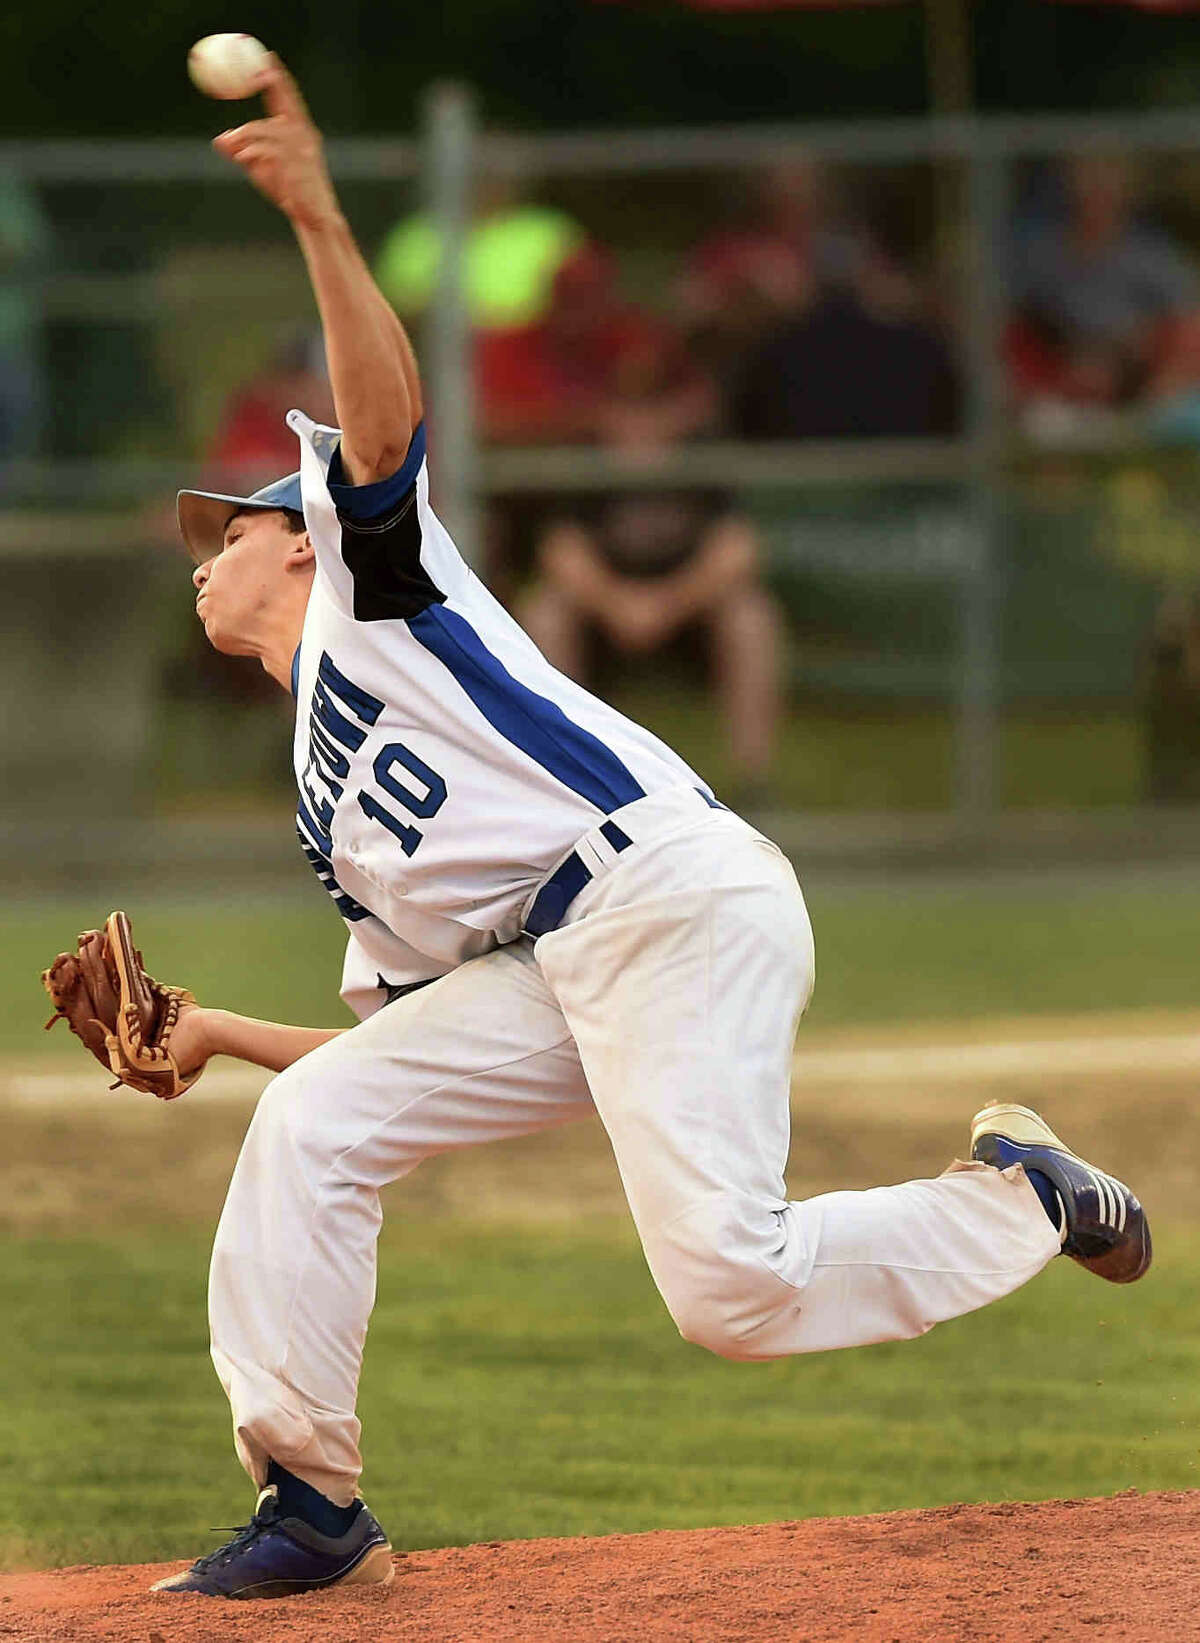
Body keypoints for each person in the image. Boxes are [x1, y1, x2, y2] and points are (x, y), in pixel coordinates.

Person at [155, 59, 1150, 1601]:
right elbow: (410, 1046)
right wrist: (215, 1030)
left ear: (294, 540)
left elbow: (383, 419)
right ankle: (312, 1507)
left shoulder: (376, 589)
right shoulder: (324, 801)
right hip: (561, 961)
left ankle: (1024, 1196)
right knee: (316, 1124)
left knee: (731, 1294)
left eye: (223, 529)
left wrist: (324, 225)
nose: (202, 556)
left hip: (669, 897)